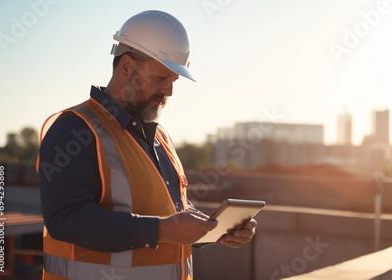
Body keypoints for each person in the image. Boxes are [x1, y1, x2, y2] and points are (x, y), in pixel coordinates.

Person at [37, 10, 257, 280]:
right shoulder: (75, 129)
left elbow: (166, 211)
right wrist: (163, 230)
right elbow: (66, 220)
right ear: (127, 66)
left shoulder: (160, 137)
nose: (169, 91)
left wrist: (212, 229)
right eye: (160, 78)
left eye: (173, 81)